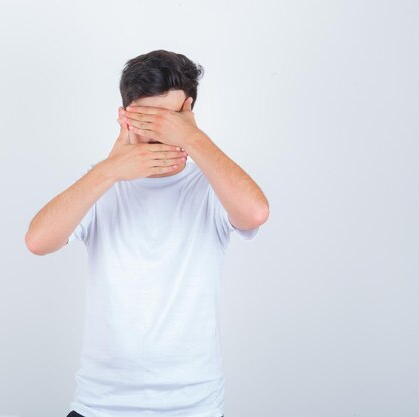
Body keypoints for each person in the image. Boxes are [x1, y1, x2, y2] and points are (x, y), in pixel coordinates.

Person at [25, 49, 269, 417]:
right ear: (125, 117)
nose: (158, 136)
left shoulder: (211, 186)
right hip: (100, 406)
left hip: (193, 407)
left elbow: (255, 213)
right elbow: (37, 241)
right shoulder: (102, 184)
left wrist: (193, 138)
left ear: (188, 116)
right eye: (147, 121)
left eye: (168, 122)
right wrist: (108, 170)